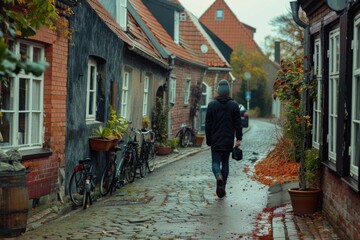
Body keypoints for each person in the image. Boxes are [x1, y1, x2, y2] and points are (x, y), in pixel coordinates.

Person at [205, 79, 242, 198]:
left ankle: (218, 177)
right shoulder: (234, 105)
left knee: (215, 162)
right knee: (225, 163)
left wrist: (208, 139)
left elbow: (208, 124)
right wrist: (238, 138)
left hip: (215, 139)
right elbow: (238, 124)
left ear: (218, 91)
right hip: (228, 139)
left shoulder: (212, 105)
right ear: (228, 91)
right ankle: (223, 186)